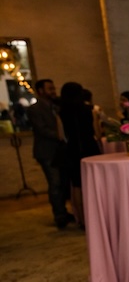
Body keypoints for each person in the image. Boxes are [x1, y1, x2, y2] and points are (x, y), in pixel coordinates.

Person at [26, 79, 74, 229]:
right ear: (40, 91)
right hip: (46, 151)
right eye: (50, 89)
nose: (53, 91)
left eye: (53, 88)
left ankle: (65, 211)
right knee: (55, 183)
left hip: (60, 151)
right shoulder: (35, 109)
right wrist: (61, 135)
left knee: (63, 182)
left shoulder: (57, 105)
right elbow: (42, 129)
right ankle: (59, 215)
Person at [58, 82, 101, 229]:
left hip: (73, 150)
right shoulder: (90, 110)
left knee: (77, 185)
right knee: (94, 183)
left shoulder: (61, 113)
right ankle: (96, 217)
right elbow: (97, 133)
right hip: (90, 147)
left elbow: (61, 136)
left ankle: (82, 220)